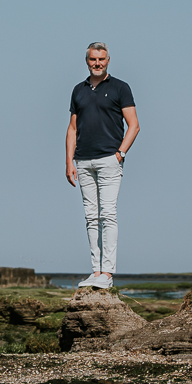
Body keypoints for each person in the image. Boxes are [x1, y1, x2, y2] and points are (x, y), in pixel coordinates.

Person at [66, 42, 140, 289]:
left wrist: (120, 153)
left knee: (107, 215)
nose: (97, 63)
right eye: (92, 60)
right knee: (91, 216)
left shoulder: (120, 87)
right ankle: (95, 271)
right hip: (83, 160)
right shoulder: (78, 90)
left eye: (101, 59)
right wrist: (69, 161)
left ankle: (107, 273)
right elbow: (72, 128)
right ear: (86, 61)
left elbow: (134, 125)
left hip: (110, 159)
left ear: (108, 60)